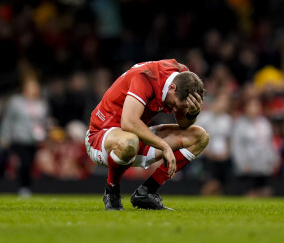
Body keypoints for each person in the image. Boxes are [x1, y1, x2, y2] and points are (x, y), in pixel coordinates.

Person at [85, 59, 209, 210]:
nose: (174, 109)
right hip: (102, 137)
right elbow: (128, 123)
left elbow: (183, 124)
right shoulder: (145, 78)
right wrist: (164, 146)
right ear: (172, 87)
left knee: (200, 136)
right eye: (175, 104)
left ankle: (146, 192)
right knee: (129, 141)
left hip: (136, 135)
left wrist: (192, 114)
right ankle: (112, 191)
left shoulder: (182, 76)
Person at [0, 77, 49, 197]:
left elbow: (43, 122)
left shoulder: (41, 104)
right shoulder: (16, 102)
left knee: (30, 164)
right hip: (19, 137)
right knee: (23, 163)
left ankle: (27, 187)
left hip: (34, 139)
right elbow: (8, 119)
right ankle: (23, 187)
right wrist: (4, 135)